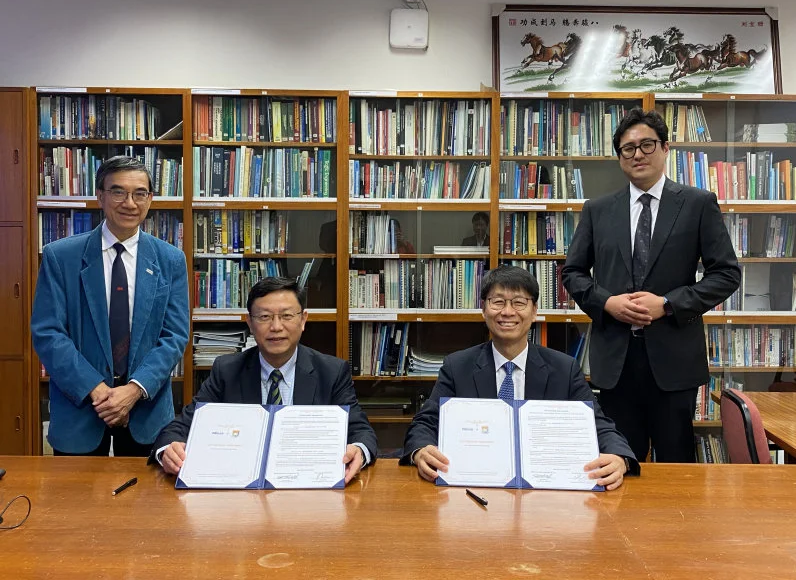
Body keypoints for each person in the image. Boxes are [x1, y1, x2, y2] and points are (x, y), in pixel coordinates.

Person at [562, 108, 741, 463]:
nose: (638, 154)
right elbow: (573, 273)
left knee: (677, 464)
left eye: (647, 144)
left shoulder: (697, 204)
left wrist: (668, 304)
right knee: (618, 461)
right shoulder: (598, 209)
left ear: (665, 148)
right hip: (616, 360)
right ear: (619, 157)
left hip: (674, 359)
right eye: (628, 148)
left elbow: (726, 274)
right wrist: (607, 302)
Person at [401, 266, 638, 490]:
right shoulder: (457, 366)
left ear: (534, 311)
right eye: (498, 302)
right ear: (484, 309)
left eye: (519, 303)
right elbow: (425, 423)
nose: (507, 312)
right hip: (476, 486)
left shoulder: (564, 369)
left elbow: (599, 425)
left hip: (545, 493)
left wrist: (619, 458)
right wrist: (420, 450)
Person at [31, 155, 190, 456]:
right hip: (81, 409)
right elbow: (48, 333)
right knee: (77, 501)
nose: (129, 203)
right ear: (100, 196)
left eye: (139, 193)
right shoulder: (60, 256)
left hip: (146, 410)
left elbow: (175, 336)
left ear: (150, 199)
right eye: (118, 192)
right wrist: (98, 391)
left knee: (149, 502)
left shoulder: (170, 260)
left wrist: (133, 391)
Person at [152, 277, 377, 484]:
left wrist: (358, 449)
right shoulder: (227, 371)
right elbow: (181, 427)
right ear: (250, 323)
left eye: (287, 316)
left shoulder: (331, 371)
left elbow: (361, 431)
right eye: (264, 317)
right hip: (242, 495)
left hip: (307, 490)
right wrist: (168, 452)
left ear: (303, 320)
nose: (276, 327)